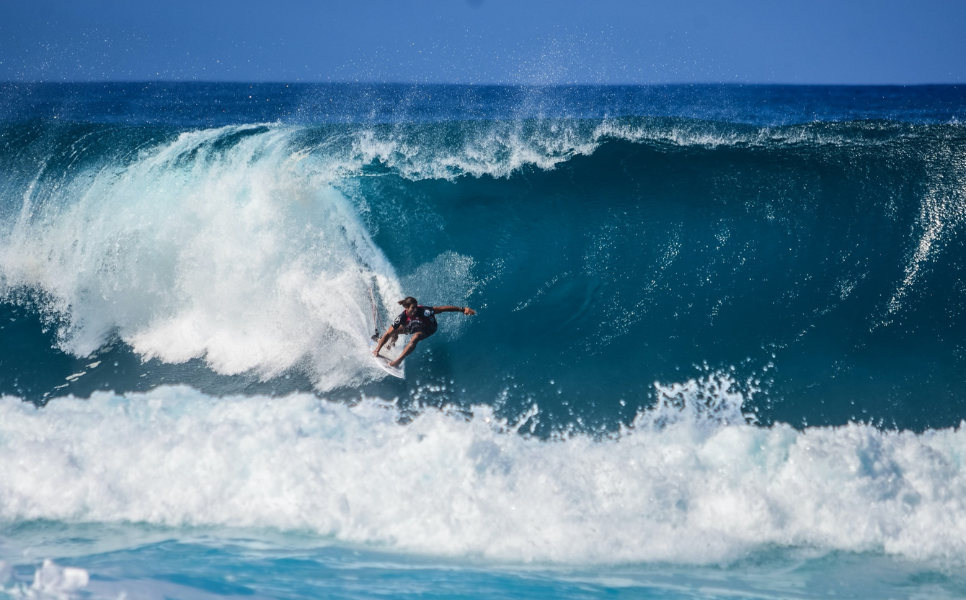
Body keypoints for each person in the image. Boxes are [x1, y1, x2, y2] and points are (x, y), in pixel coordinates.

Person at [372, 296, 476, 368]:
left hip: (429, 327)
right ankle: (390, 345)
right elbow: (388, 333)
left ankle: (397, 361)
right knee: (394, 332)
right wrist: (377, 350)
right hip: (413, 326)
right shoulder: (402, 317)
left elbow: (442, 309)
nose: (415, 310)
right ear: (406, 308)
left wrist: (462, 309)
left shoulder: (424, 311)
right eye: (412, 308)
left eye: (416, 307)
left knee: (415, 338)